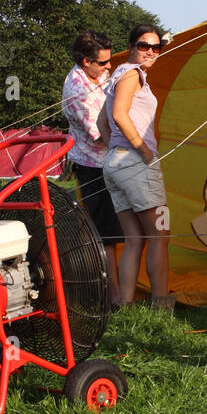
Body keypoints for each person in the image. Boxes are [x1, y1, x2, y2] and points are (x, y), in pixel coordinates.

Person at [103, 25, 172, 310]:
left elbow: (100, 123)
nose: (151, 52)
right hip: (134, 161)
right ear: (131, 46)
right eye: (144, 46)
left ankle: (127, 305)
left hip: (116, 163)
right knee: (160, 234)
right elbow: (118, 115)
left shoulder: (117, 75)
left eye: (157, 48)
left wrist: (114, 151)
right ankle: (161, 304)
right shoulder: (131, 74)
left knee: (134, 238)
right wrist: (142, 151)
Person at [62, 30, 122, 294]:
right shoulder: (77, 91)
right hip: (92, 166)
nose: (109, 66)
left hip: (109, 160)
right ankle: (112, 294)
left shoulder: (98, 72)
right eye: (103, 62)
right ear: (86, 61)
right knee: (104, 232)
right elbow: (99, 136)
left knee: (112, 227)